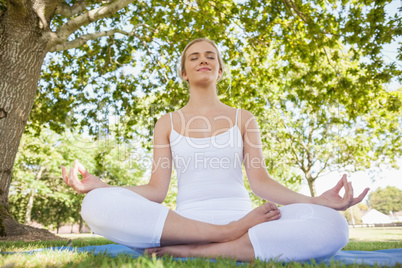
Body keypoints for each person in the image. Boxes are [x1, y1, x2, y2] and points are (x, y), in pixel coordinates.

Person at [61, 38, 369, 262]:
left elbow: (261, 182)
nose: (202, 59)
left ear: (220, 70)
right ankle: (222, 237)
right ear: (184, 72)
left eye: (210, 55)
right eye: (193, 57)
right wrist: (102, 187)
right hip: (185, 225)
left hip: (249, 221)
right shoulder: (166, 123)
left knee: (334, 226)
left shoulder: (243, 118)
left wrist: (315, 201)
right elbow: (156, 191)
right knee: (94, 203)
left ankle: (216, 247)